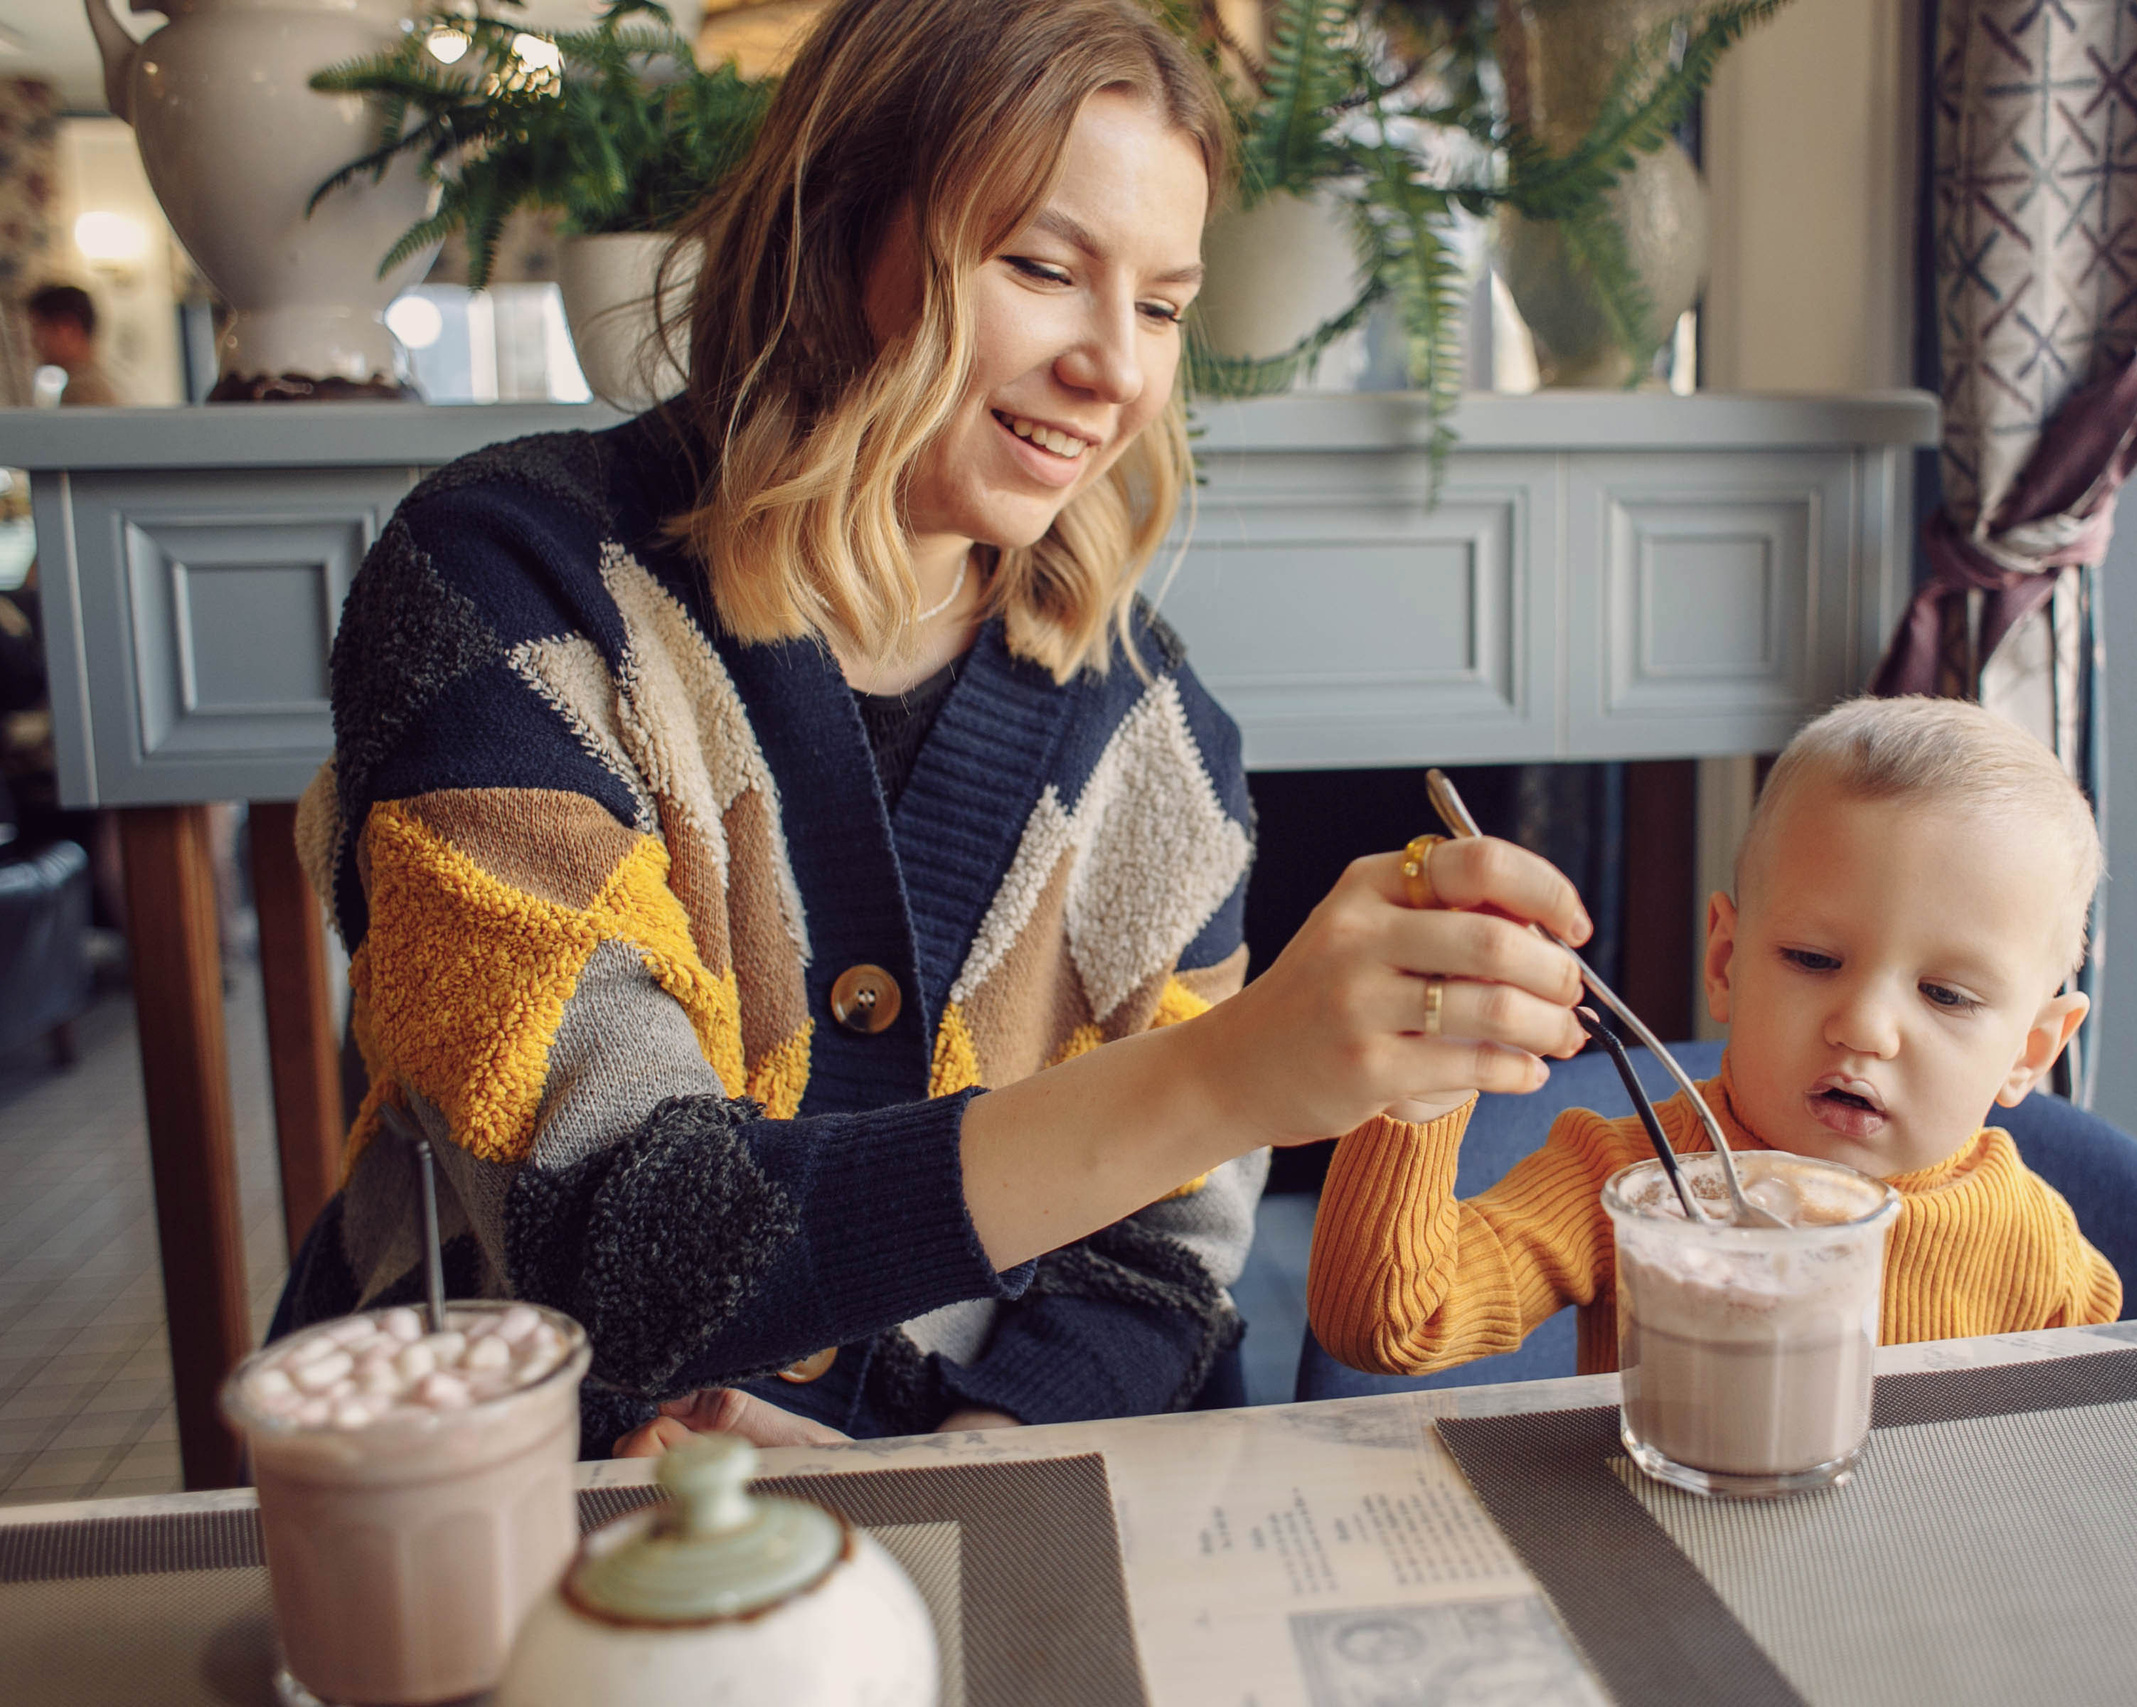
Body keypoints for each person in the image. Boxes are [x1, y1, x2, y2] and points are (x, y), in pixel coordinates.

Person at [273, 0, 1595, 1460]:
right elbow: (613, 1227)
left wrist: (953, 1468)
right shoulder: (509, 591)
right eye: (1042, 268)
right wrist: (1232, 1074)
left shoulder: (1159, 744)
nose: (1116, 369)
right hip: (494, 1484)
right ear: (835, 233)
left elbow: (1159, 1273)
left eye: (1162, 307)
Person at [1308, 696, 2137, 1379]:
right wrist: (1420, 1093)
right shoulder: (1627, 1181)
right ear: (1724, 961)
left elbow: (2081, 1453)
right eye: (1811, 958)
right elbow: (1388, 1324)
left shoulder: (2034, 1240)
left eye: (1945, 993)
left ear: (2032, 1049)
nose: (1864, 1026)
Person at [25, 285, 120, 407]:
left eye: (37, 328)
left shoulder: (83, 391)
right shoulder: (97, 382)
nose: (34, 341)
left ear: (66, 329)